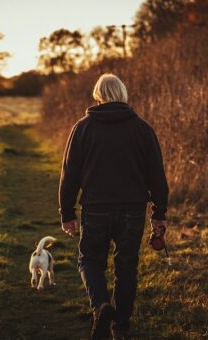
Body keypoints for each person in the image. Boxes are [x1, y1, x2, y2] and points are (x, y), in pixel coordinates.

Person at [58, 73, 169, 340]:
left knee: (89, 261)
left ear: (97, 95)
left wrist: (67, 213)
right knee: (126, 266)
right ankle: (121, 326)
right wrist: (159, 213)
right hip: (132, 210)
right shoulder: (142, 129)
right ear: (122, 94)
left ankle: (100, 306)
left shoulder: (82, 128)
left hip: (95, 208)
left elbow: (69, 174)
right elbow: (157, 174)